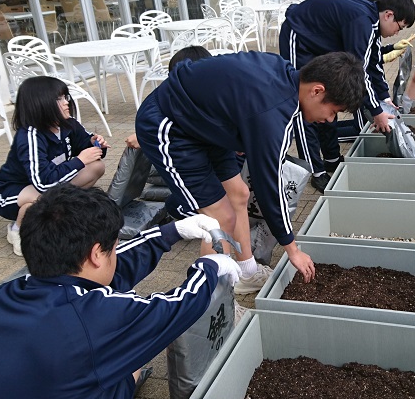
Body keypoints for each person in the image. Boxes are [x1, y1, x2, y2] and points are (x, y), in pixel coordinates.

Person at [0, 184, 257, 399]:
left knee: (129, 365)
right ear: (97, 253)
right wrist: (208, 267)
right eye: (112, 247)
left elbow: (105, 271)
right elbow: (173, 310)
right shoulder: (92, 318)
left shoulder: (12, 294)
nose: (116, 252)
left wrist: (171, 232)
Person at [136, 51, 364, 290]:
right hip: (170, 125)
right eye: (333, 111)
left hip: (205, 124)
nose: (330, 120)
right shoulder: (273, 114)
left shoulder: (284, 73)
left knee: (240, 194)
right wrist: (292, 249)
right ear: (316, 91)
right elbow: (270, 188)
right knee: (218, 218)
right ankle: (215, 301)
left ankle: (246, 273)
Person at [280, 0, 415, 192]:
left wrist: (385, 99)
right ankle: (316, 172)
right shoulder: (363, 23)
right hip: (298, 36)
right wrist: (377, 112)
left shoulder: (372, 26)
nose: (397, 33)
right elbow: (360, 74)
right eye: (400, 27)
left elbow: (374, 64)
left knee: (330, 101)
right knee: (304, 105)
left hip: (321, 46)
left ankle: (332, 159)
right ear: (388, 15)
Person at [0, 76, 108, 256]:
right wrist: (80, 160)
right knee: (44, 197)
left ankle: (58, 218)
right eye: (59, 99)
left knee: (97, 167)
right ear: (40, 103)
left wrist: (95, 144)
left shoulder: (67, 124)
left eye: (66, 97)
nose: (67, 102)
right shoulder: (30, 136)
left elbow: (84, 145)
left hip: (44, 184)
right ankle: (18, 231)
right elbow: (42, 182)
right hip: (10, 191)